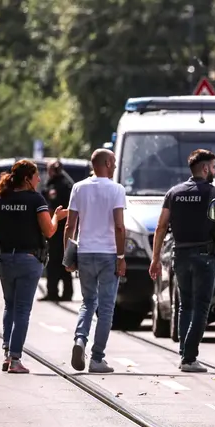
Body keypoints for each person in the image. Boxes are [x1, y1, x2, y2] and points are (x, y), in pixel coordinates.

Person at [149, 149, 215, 372]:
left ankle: (184, 354)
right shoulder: (214, 192)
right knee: (201, 306)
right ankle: (189, 357)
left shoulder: (173, 193)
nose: (214, 171)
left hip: (180, 254)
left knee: (185, 305)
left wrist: (155, 258)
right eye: (213, 167)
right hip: (205, 256)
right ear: (205, 168)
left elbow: (160, 227)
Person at [0, 159, 68, 374]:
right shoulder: (35, 200)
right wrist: (57, 217)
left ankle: (7, 352)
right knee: (22, 310)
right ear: (28, 178)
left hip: (5, 259)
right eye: (37, 176)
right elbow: (49, 231)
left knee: (9, 306)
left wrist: (9, 230)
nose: (40, 180)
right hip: (28, 260)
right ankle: (15, 359)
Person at [63, 148, 126, 373]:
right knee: (106, 308)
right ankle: (97, 358)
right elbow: (119, 226)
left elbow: (70, 226)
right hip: (108, 254)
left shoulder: (78, 188)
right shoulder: (116, 189)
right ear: (107, 163)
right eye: (114, 162)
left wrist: (67, 257)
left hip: (85, 252)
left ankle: (80, 340)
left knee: (88, 302)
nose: (116, 166)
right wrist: (121, 257)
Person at [40, 159, 75, 301]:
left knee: (57, 261)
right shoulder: (57, 184)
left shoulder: (60, 186)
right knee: (60, 261)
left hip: (59, 229)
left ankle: (57, 292)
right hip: (59, 229)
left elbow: (54, 207)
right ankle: (59, 292)